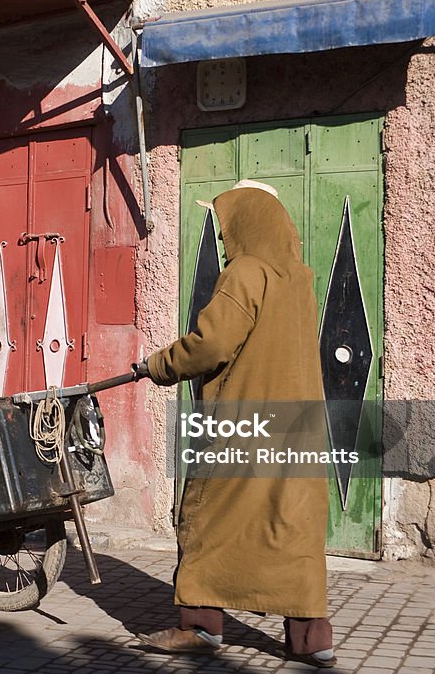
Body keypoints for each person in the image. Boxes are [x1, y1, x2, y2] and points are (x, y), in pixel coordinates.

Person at [135, 181, 337, 667]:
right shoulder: (298, 278)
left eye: (227, 227)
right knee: (292, 529)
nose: (224, 239)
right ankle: (312, 642)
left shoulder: (246, 273)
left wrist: (158, 365)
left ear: (247, 221)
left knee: (206, 517)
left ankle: (199, 628)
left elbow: (211, 344)